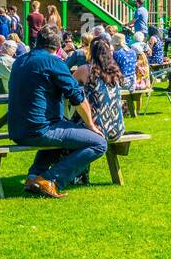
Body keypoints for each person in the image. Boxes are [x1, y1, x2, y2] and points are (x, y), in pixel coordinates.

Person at [7, 25, 106, 198]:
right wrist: (91, 125)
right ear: (58, 47)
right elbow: (77, 96)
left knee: (60, 130)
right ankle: (51, 179)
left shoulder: (20, 61)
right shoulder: (53, 62)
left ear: (37, 42)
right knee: (99, 143)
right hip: (40, 129)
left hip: (16, 129)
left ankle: (33, 178)